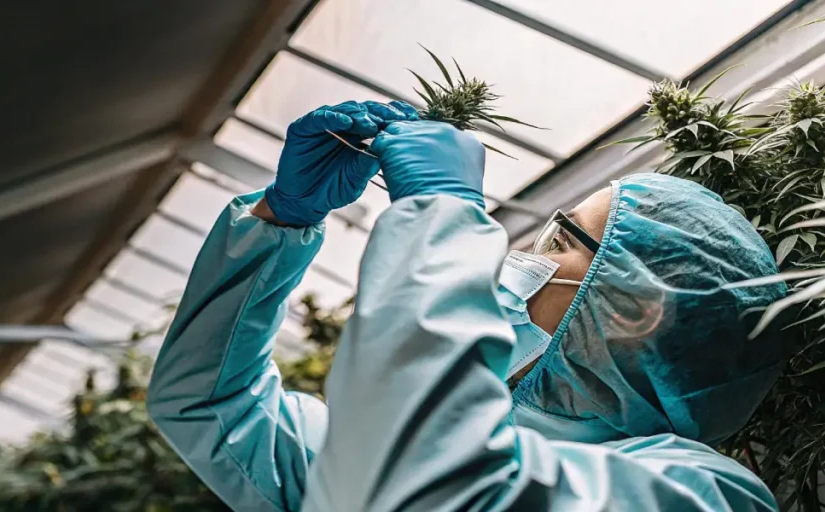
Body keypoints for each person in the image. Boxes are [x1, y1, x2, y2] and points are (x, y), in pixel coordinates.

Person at [146, 100, 790, 511]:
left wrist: (441, 217)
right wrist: (279, 223)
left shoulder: (700, 494)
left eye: (560, 239)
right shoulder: (479, 436)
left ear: (634, 309)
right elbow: (209, 405)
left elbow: (430, 483)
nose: (525, 252)